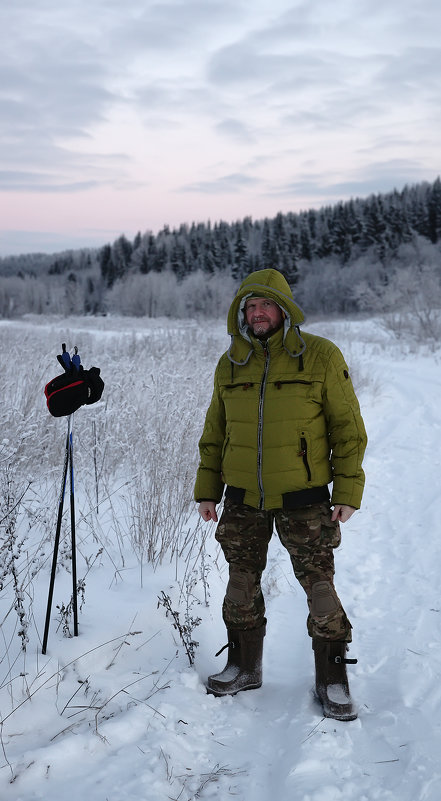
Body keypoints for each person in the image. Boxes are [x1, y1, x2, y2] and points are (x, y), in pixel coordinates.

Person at [194, 268, 367, 721]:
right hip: (242, 496)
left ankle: (332, 678)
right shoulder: (230, 362)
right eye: (249, 307)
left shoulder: (322, 357)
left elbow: (348, 430)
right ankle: (243, 666)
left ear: (283, 309)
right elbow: (215, 431)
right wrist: (207, 489)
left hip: (305, 496)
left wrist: (348, 489)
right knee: (240, 583)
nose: (256, 314)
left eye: (265, 305)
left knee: (320, 589)